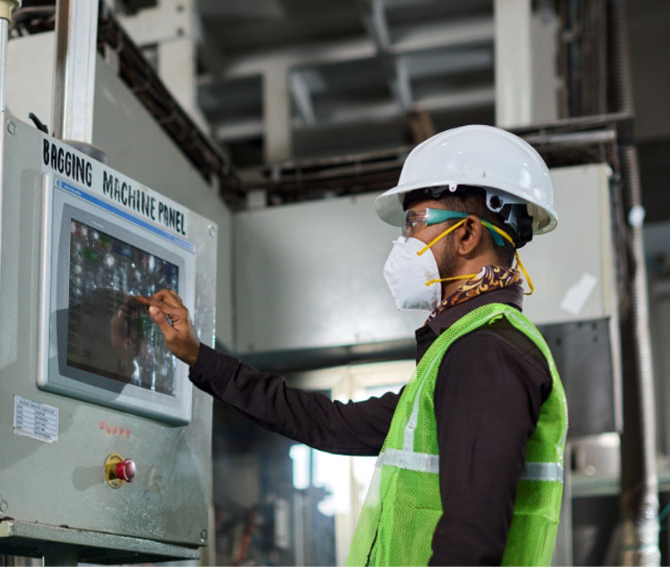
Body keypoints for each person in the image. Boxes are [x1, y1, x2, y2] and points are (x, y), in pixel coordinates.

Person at [137, 125, 568, 566]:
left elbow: (470, 544)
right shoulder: (464, 349)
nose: (403, 242)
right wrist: (198, 356)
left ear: (467, 234)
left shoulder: (486, 353)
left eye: (414, 222)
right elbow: (331, 423)